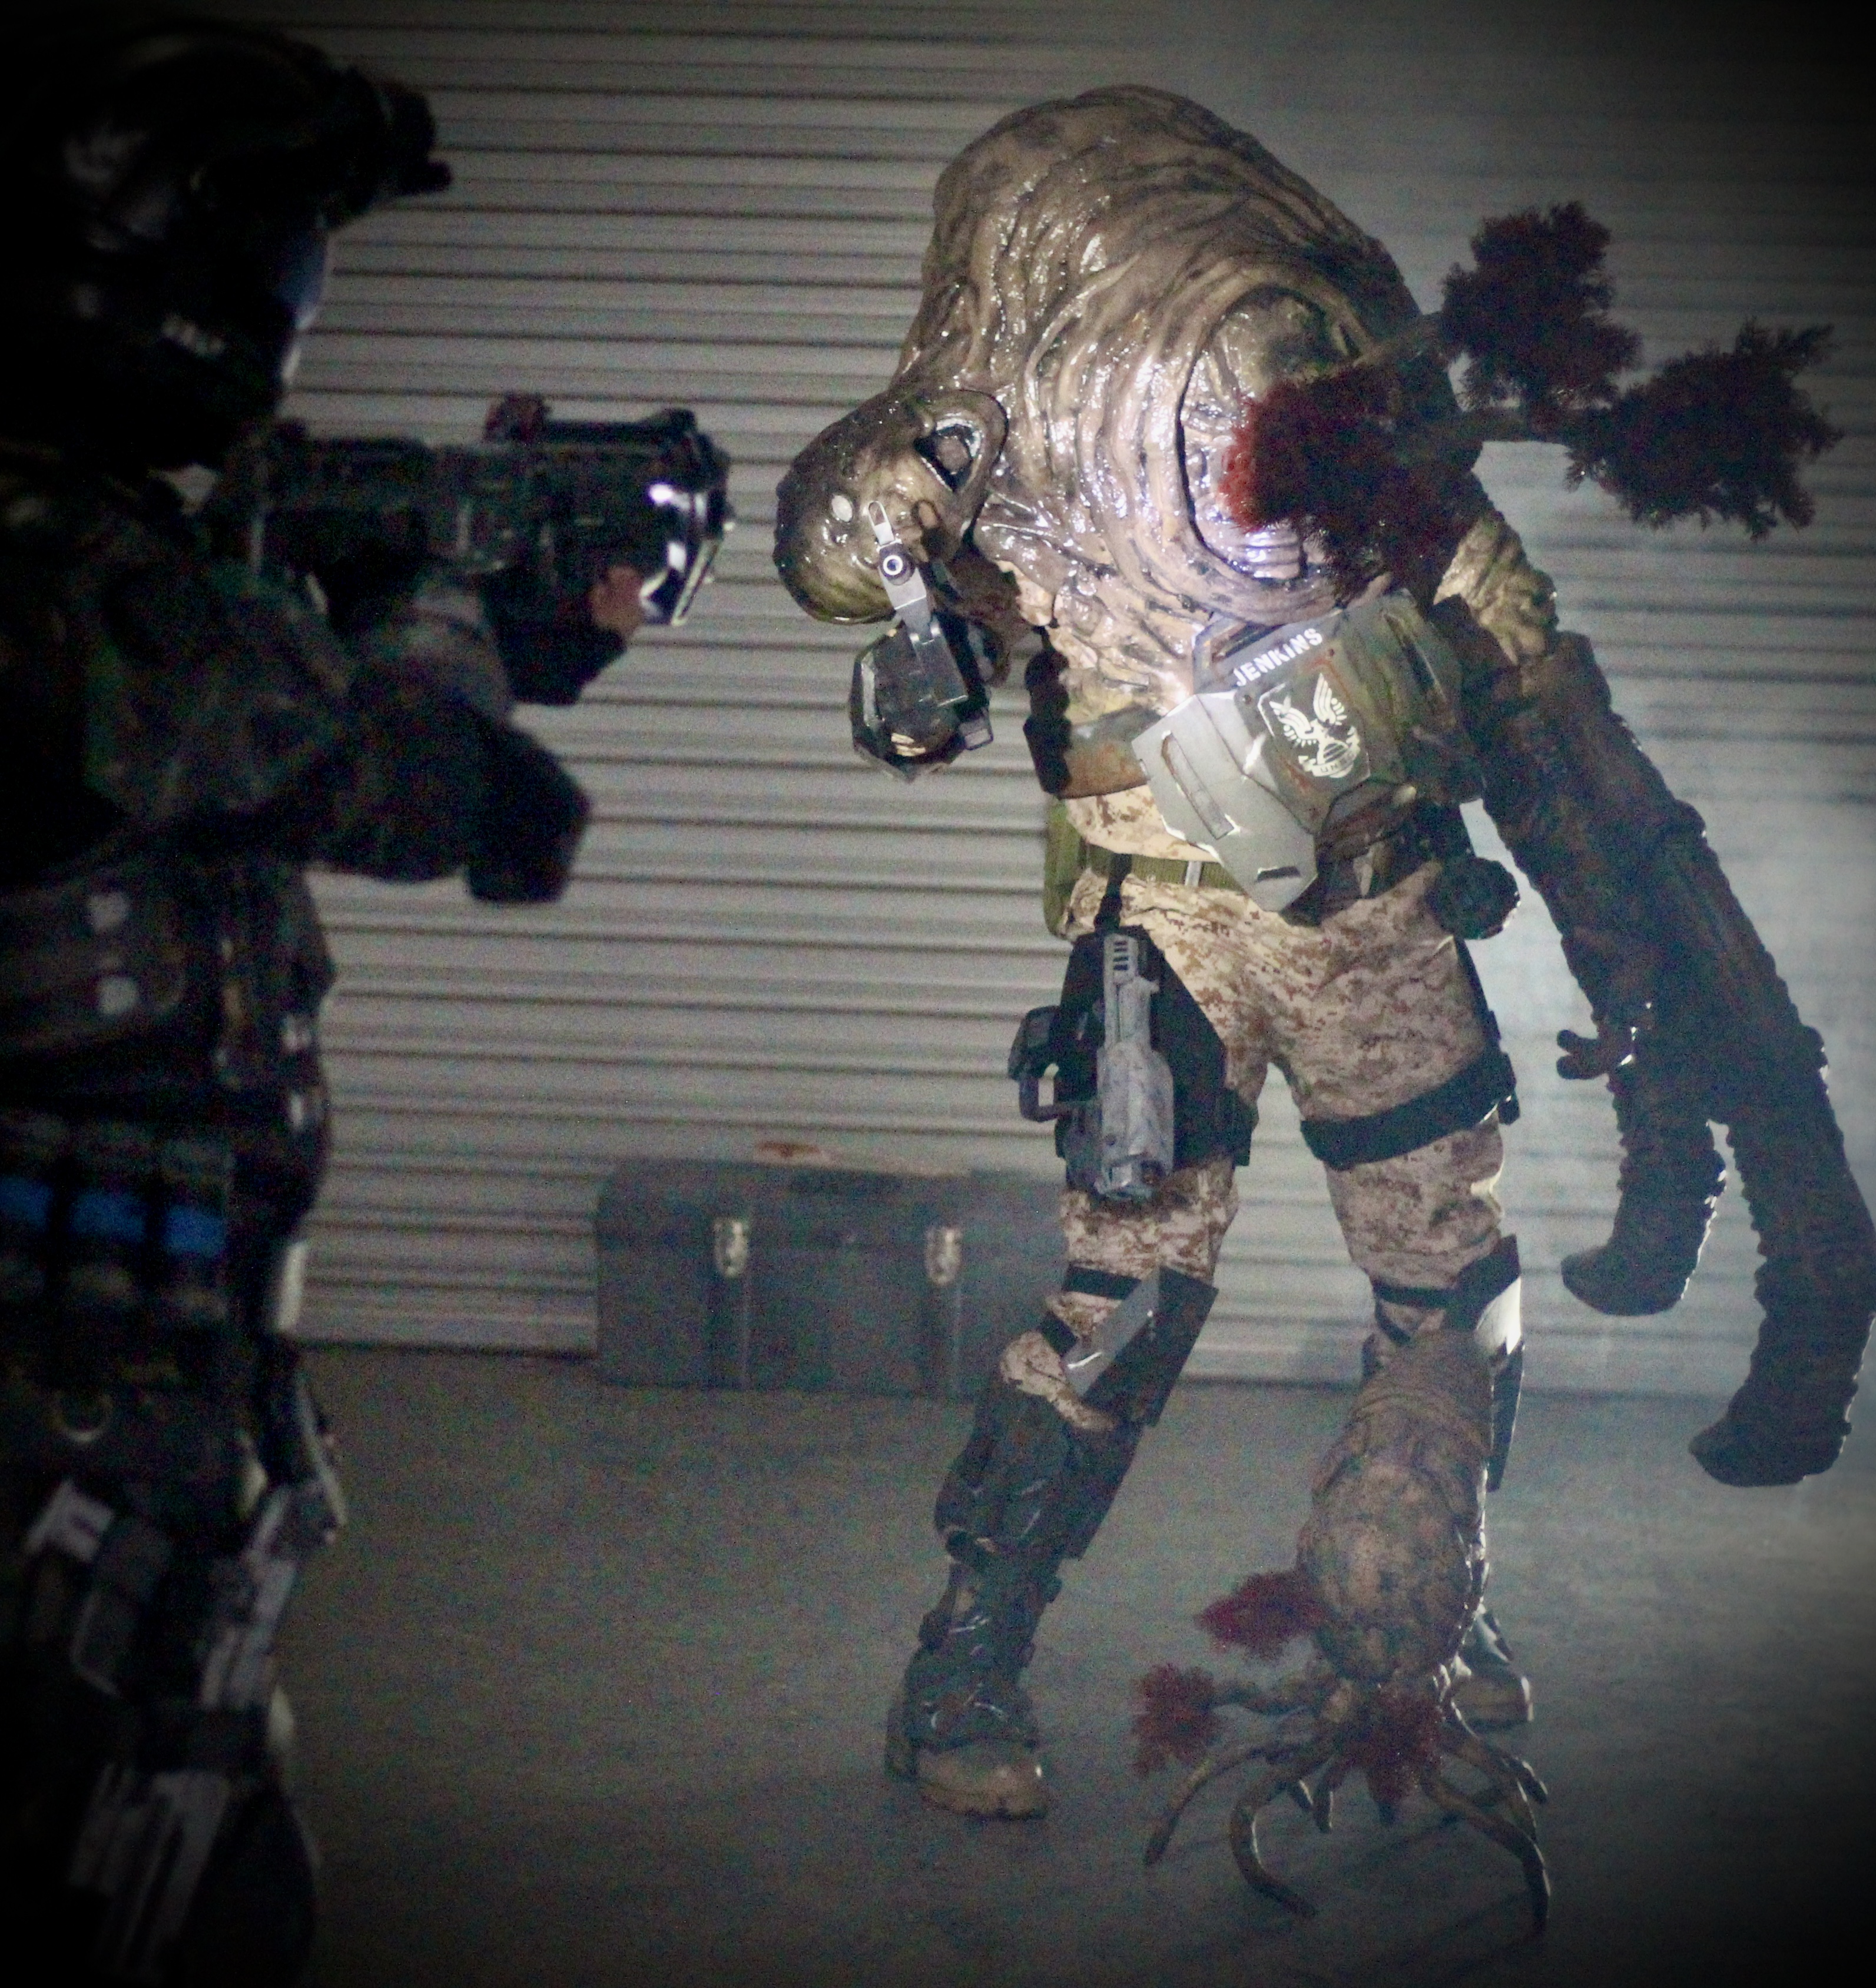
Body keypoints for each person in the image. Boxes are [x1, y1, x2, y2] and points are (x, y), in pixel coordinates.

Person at [772, 85, 1871, 1821]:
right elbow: (875, 599)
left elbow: (1526, 683)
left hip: (1375, 913)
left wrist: (1649, 1005)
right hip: (1164, 928)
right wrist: (911, 639)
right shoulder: (1026, 446)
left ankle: (1433, 1584)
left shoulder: (1369, 449)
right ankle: (966, 1654)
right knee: (1127, 1297)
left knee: (1450, 1283)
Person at [0, 12, 637, 1980]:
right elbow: (388, 775)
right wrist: (451, 628)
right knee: (125, 1845)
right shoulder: (47, 562)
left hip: (135, 1346)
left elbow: (245, 716)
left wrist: (467, 613)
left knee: (171, 1829)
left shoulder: (114, 546)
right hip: (59, 1374)